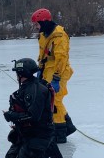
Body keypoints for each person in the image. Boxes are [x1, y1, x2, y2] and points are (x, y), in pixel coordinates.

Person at [3, 58, 64, 158]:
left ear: (22, 73)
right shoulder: (26, 87)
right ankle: (29, 146)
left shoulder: (36, 90)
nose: (16, 75)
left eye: (17, 73)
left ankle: (49, 148)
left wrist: (11, 115)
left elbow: (33, 116)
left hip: (40, 133)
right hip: (27, 132)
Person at [31, 8, 76, 143]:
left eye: (37, 24)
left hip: (59, 72)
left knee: (55, 101)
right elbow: (43, 54)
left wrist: (56, 78)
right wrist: (40, 68)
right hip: (47, 71)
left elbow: (61, 59)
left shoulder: (59, 36)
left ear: (44, 22)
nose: (35, 27)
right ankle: (68, 127)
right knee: (50, 101)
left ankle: (60, 134)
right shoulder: (43, 34)